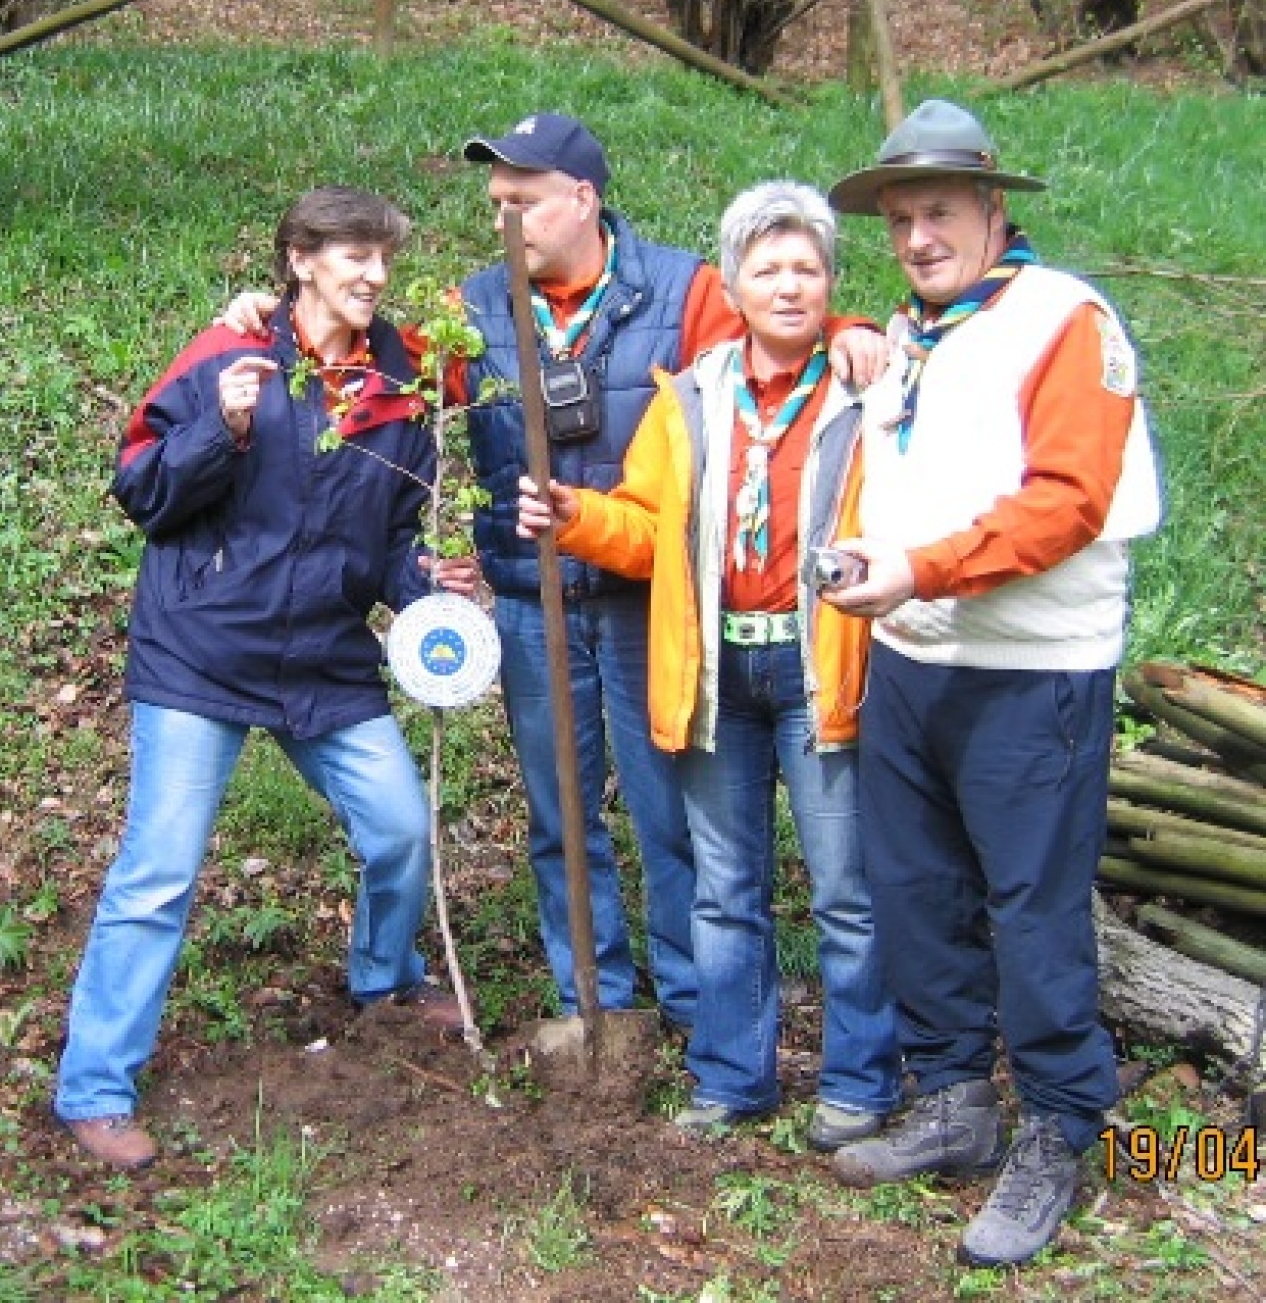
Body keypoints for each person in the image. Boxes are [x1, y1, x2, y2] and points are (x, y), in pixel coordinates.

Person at [217, 114, 884, 1029]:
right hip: (532, 605)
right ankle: (592, 1004)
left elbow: (782, 330)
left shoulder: (681, 290)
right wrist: (272, 319)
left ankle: (693, 1005)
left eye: (521, 201)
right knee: (560, 819)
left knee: (668, 816)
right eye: (496, 201)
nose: (504, 218)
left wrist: (850, 329)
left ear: (582, 199)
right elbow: (370, 365)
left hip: (651, 602)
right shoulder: (473, 308)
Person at [54, 187, 476, 1171]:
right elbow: (141, 491)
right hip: (201, 649)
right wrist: (222, 427)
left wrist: (430, 590)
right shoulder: (228, 353)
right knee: (158, 875)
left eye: (382, 258)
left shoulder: (401, 380)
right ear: (300, 260)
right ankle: (95, 1087)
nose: (373, 275)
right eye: (353, 256)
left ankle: (383, 976)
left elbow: (388, 540)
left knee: (399, 829)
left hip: (323, 659)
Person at [821, 101, 1162, 1266]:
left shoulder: (1062, 319)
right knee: (916, 890)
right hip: (912, 659)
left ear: (989, 209)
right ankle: (954, 1098)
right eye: (898, 220)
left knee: (1030, 906)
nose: (915, 237)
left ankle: (1062, 1124)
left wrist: (920, 567)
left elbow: (1065, 500)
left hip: (1032, 674)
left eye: (937, 213)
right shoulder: (914, 330)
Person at [516, 182, 898, 1146]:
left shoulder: (868, 389)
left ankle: (859, 1081)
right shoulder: (688, 398)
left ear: (830, 284)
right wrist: (576, 517)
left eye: (806, 269)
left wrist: (862, 335)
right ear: (731, 288)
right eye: (766, 270)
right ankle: (732, 1076)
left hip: (821, 670)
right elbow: (650, 532)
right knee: (724, 893)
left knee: (845, 891)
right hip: (718, 674)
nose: (787, 286)